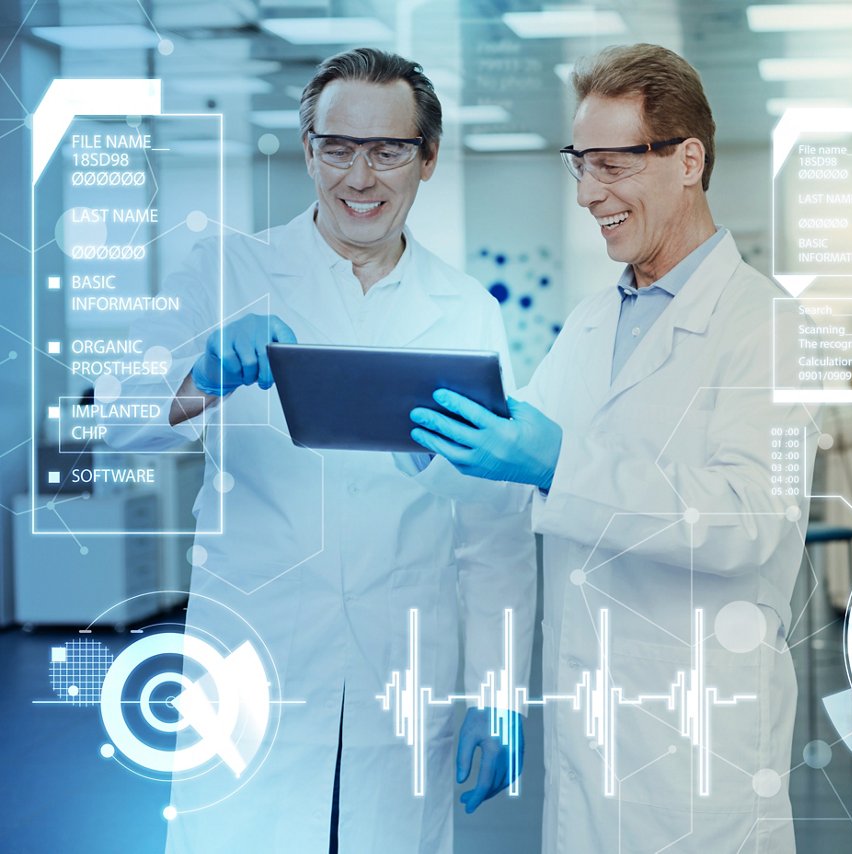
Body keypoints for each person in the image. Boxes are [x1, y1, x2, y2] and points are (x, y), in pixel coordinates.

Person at [104, 47, 535, 853]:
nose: (359, 177)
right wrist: (199, 373)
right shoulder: (228, 271)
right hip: (253, 672)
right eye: (337, 147)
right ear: (308, 152)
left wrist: (499, 692)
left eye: (388, 149)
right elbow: (114, 416)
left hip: (403, 676)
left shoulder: (465, 311)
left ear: (427, 159)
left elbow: (494, 531)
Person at [409, 43, 816, 853]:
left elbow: (748, 520)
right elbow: (518, 483)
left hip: (696, 742)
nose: (591, 193)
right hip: (588, 730)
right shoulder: (595, 320)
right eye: (580, 165)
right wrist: (422, 434)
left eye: (612, 165)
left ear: (688, 159)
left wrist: (557, 462)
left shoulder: (764, 327)